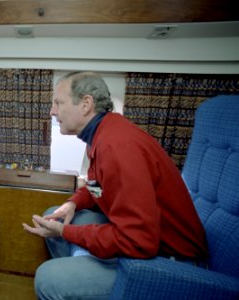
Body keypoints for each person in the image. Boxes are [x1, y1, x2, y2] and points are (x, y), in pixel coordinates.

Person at [22, 71, 208, 299]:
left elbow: (138, 241)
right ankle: (78, 277)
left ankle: (71, 281)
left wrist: (65, 232)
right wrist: (72, 204)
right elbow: (96, 185)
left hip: (175, 262)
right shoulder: (102, 134)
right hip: (150, 241)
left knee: (48, 279)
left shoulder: (116, 146)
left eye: (58, 103)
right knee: (56, 214)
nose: (52, 111)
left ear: (85, 104)